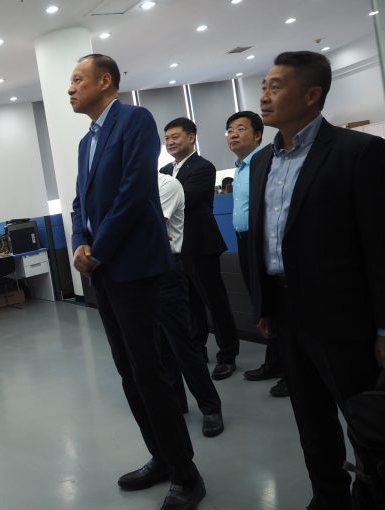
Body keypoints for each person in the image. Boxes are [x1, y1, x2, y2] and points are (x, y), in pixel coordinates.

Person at [248, 51, 385, 510]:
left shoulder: (358, 152)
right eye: (263, 86)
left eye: (276, 86)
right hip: (287, 313)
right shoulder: (264, 162)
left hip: (345, 318)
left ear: (312, 95)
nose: (264, 96)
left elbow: (379, 246)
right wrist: (265, 305)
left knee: (366, 421)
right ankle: (328, 498)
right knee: (311, 421)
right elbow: (264, 241)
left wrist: (383, 328)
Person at [69, 54, 204, 510]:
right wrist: (79, 243)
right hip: (104, 272)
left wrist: (98, 249)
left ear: (105, 81)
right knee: (128, 369)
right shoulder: (86, 142)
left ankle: (186, 473)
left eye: (78, 80)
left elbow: (133, 192)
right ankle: (161, 457)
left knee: (150, 370)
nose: (70, 88)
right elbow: (79, 202)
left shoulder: (135, 120)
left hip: (134, 267)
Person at [161, 118, 240, 380]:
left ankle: (228, 354)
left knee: (214, 302)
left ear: (192, 137)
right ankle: (197, 348)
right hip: (176, 247)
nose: (170, 142)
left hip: (201, 245)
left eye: (175, 137)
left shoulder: (203, 167)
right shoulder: (164, 170)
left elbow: (185, 199)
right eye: (167, 138)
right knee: (189, 303)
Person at [155, 171, 224, 437]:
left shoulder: (167, 185)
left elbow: (153, 225)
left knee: (182, 344)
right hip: (142, 274)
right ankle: (177, 402)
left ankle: (210, 406)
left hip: (167, 268)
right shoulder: (128, 189)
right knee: (160, 345)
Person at [225, 110, 288, 398]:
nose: (233, 134)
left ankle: (290, 372)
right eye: (230, 130)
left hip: (262, 240)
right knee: (261, 304)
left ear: (259, 135)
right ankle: (274, 362)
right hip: (243, 241)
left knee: (275, 303)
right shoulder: (239, 168)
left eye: (240, 129)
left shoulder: (267, 161)